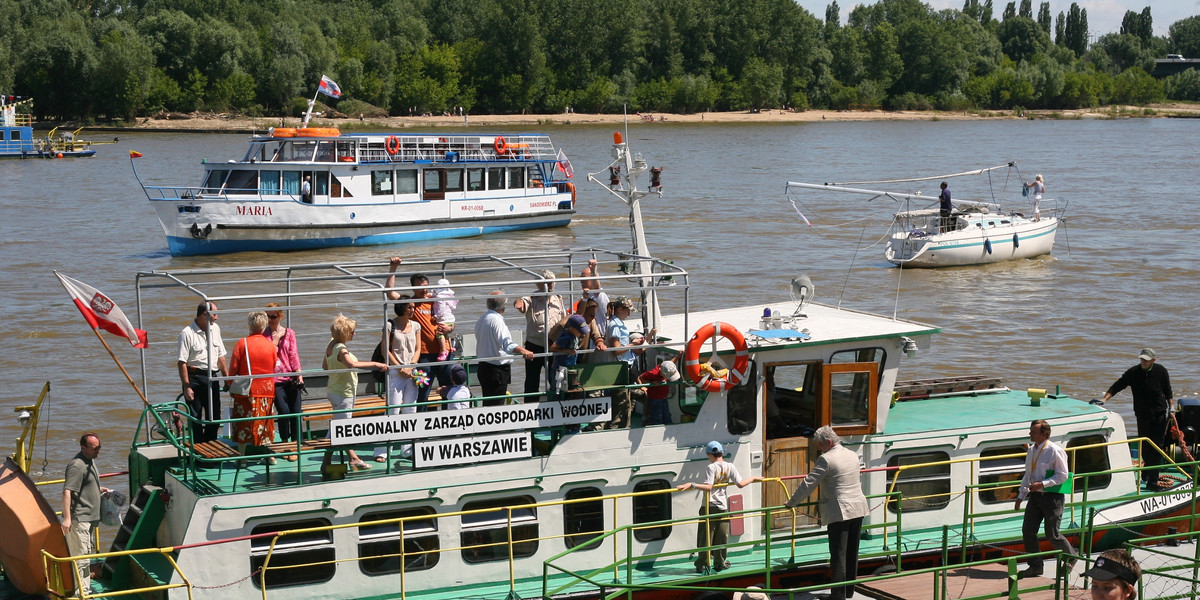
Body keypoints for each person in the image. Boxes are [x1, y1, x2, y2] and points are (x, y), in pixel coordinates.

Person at [785, 426, 869, 600]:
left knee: (838, 555)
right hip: (858, 507)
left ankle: (837, 596)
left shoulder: (826, 459)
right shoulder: (853, 454)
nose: (818, 449)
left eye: (820, 445)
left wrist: (791, 503)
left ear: (828, 442)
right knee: (852, 552)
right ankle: (848, 592)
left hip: (840, 512)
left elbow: (808, 484)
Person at [676, 441, 762, 573]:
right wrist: (754, 477)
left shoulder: (711, 468)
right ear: (721, 453)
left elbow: (709, 487)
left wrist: (692, 484)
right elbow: (740, 484)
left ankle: (703, 563)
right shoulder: (730, 466)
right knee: (722, 536)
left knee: (705, 537)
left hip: (709, 506)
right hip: (722, 506)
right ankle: (720, 562)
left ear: (710, 454)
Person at [1101, 348, 1175, 490]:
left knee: (1157, 448)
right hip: (1142, 415)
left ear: (1153, 360)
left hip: (1159, 414)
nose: (1143, 362)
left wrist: (1171, 406)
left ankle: (1152, 482)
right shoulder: (1133, 373)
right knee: (1145, 447)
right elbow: (1117, 386)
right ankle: (1147, 473)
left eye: (1146, 360)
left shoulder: (1161, 371)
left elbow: (1168, 390)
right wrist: (1104, 400)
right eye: (1141, 359)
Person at [323, 314, 388, 472]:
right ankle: (336, 462)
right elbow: (351, 364)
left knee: (337, 428)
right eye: (352, 331)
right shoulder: (341, 349)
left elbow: (325, 366)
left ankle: (351, 458)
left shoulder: (331, 345)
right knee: (341, 431)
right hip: (343, 393)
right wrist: (376, 364)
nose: (354, 334)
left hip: (334, 389)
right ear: (345, 332)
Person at [386, 258, 453, 410]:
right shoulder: (411, 303)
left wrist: (449, 329)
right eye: (420, 287)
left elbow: (450, 320)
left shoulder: (436, 299)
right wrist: (393, 268)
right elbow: (390, 293)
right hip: (423, 355)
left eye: (426, 286)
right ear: (413, 288)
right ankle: (422, 426)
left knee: (448, 390)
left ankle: (447, 424)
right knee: (422, 393)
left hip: (444, 352)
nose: (424, 290)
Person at [1015, 419, 1074, 579]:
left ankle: (1071, 557)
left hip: (1052, 497)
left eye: (1033, 431)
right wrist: (1021, 496)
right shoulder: (1031, 450)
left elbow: (1063, 475)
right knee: (1028, 530)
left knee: (1052, 534)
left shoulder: (1055, 450)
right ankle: (1035, 567)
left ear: (1044, 434)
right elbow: (1028, 474)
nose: (1030, 433)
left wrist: (1043, 484)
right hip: (1035, 496)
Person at [62, 432, 111, 592]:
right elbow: (67, 491)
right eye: (95, 448)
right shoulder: (77, 465)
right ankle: (81, 593)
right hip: (80, 519)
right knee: (81, 559)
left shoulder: (90, 460)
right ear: (83, 448)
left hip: (90, 519)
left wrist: (98, 489)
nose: (98, 451)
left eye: (100, 447)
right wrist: (67, 518)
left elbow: (85, 485)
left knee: (86, 556)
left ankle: (84, 590)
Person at [376, 296, 421, 461]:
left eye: (414, 307)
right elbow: (385, 350)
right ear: (402, 307)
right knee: (392, 411)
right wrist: (399, 367)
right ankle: (382, 450)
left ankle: (407, 449)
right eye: (410, 307)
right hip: (395, 373)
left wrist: (411, 366)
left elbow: (417, 349)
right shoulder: (390, 325)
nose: (413, 309)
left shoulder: (416, 325)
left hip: (412, 372)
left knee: (410, 410)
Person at [228, 312, 278, 459]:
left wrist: (230, 385)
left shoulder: (242, 343)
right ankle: (270, 456)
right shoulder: (270, 346)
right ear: (264, 326)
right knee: (266, 422)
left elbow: (233, 368)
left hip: (246, 390)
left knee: (243, 423)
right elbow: (273, 365)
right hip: (267, 389)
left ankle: (242, 457)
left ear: (250, 324)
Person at [177, 302, 228, 443]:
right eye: (215, 314)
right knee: (195, 418)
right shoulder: (187, 333)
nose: (217, 318)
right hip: (194, 378)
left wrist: (226, 378)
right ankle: (198, 452)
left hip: (212, 378)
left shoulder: (215, 329)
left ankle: (209, 446)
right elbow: (182, 362)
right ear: (205, 315)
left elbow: (221, 356)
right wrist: (187, 386)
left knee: (215, 417)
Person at [473, 291, 535, 405]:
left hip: (484, 367)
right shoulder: (496, 321)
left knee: (488, 403)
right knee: (497, 406)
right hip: (496, 371)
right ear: (503, 307)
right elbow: (507, 343)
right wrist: (524, 351)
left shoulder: (482, 319)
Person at [514, 270, 566, 398]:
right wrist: (518, 303)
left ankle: (555, 403)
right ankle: (530, 408)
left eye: (552, 282)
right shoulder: (532, 298)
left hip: (553, 345)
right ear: (539, 284)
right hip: (534, 346)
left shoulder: (558, 298)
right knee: (532, 381)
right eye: (547, 283)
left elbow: (564, 318)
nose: (550, 285)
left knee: (555, 378)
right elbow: (521, 303)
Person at [602, 297, 652, 429]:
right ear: (619, 309)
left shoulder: (618, 323)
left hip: (626, 367)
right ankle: (615, 430)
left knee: (626, 404)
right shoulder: (615, 325)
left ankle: (623, 428)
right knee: (621, 405)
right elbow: (616, 350)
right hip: (622, 369)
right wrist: (632, 344)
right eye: (628, 310)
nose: (629, 314)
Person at [264, 303, 303, 458]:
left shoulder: (290, 333)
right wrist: (276, 338)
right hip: (275, 379)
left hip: (291, 377)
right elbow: (268, 355)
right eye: (267, 316)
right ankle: (285, 442)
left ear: (280, 316)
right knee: (283, 410)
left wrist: (298, 373)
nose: (270, 320)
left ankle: (294, 445)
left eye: (273, 316)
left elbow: (293, 354)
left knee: (295, 411)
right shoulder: (264, 335)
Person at [549, 314, 589, 396]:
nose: (582, 334)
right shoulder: (566, 337)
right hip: (560, 369)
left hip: (570, 368)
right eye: (580, 331)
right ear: (572, 329)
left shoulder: (574, 335)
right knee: (556, 391)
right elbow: (552, 348)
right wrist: (567, 350)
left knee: (570, 391)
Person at [637, 357, 680, 426]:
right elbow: (640, 378)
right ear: (662, 373)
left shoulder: (666, 366)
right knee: (656, 419)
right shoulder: (652, 373)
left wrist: (678, 356)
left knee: (667, 417)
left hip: (664, 398)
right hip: (654, 399)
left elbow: (671, 363)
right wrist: (643, 386)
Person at [431, 278, 457, 360]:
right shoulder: (449, 296)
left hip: (443, 318)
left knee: (439, 333)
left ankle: (443, 350)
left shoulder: (440, 297)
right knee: (446, 334)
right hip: (450, 318)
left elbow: (441, 309)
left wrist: (436, 316)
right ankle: (450, 347)